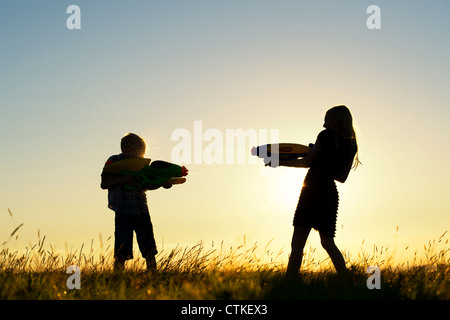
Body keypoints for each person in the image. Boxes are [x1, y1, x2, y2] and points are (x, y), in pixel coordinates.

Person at [280, 105, 360, 277]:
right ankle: (346, 280)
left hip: (312, 191)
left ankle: (289, 284)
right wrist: (324, 158)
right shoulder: (351, 145)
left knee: (298, 243)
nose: (324, 125)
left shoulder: (325, 135)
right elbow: (342, 178)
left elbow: (306, 162)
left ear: (336, 120)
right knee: (328, 242)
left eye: (327, 120)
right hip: (329, 194)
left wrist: (279, 162)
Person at [100, 133, 172, 272]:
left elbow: (148, 185)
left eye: (140, 153)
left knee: (149, 247)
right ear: (125, 149)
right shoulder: (114, 161)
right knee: (122, 248)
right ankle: (117, 277)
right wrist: (124, 179)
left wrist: (162, 183)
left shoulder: (141, 164)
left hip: (141, 210)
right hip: (122, 211)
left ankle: (153, 274)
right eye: (134, 152)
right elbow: (104, 183)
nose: (137, 156)